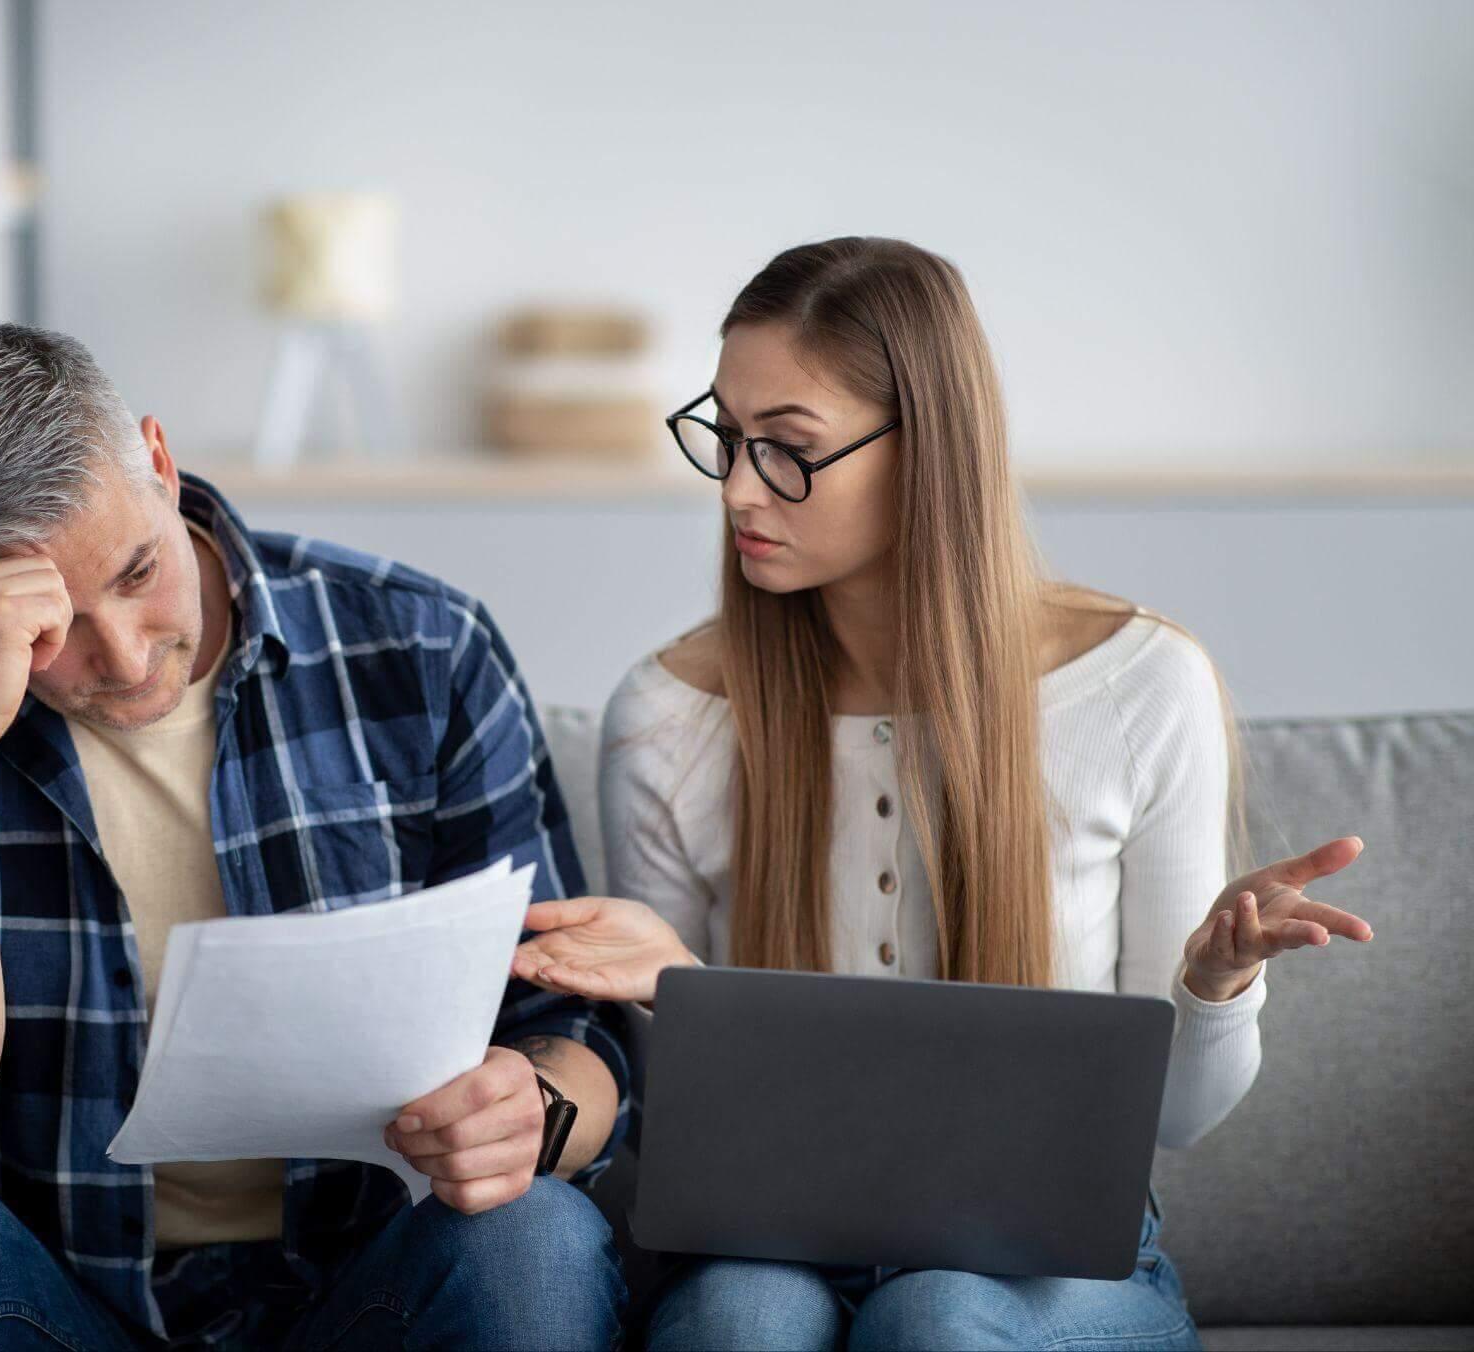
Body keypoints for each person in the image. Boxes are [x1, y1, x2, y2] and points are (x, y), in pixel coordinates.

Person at [510, 237, 1374, 1351]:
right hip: (769, 1240)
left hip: (1046, 1263)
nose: (733, 487)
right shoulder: (671, 713)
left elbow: (1180, 1117)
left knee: (939, 1316)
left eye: (784, 447)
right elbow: (675, 1142)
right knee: (737, 1318)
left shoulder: (1139, 685)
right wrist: (666, 995)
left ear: (926, 448)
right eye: (723, 437)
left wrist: (1213, 983)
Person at [0, 323, 630, 1350]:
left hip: (363, 1288)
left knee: (534, 1231)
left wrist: (533, 1110)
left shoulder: (422, 649)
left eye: (136, 573)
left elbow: (573, 1025)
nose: (123, 656)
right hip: (54, 1304)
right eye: (49, 628)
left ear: (161, 462)